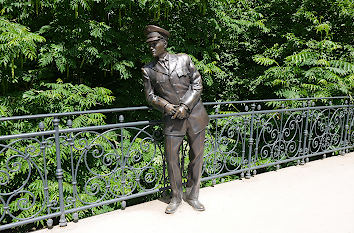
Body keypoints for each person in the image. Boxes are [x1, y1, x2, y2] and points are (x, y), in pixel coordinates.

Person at [141, 25, 209, 214]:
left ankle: (193, 195)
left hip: (195, 115)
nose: (151, 47)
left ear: (164, 43)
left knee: (197, 157)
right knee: (172, 159)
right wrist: (168, 107)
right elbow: (150, 96)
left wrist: (185, 106)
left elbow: (197, 83)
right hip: (172, 119)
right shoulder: (148, 70)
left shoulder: (184, 59)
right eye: (149, 44)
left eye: (155, 44)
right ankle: (176, 197)